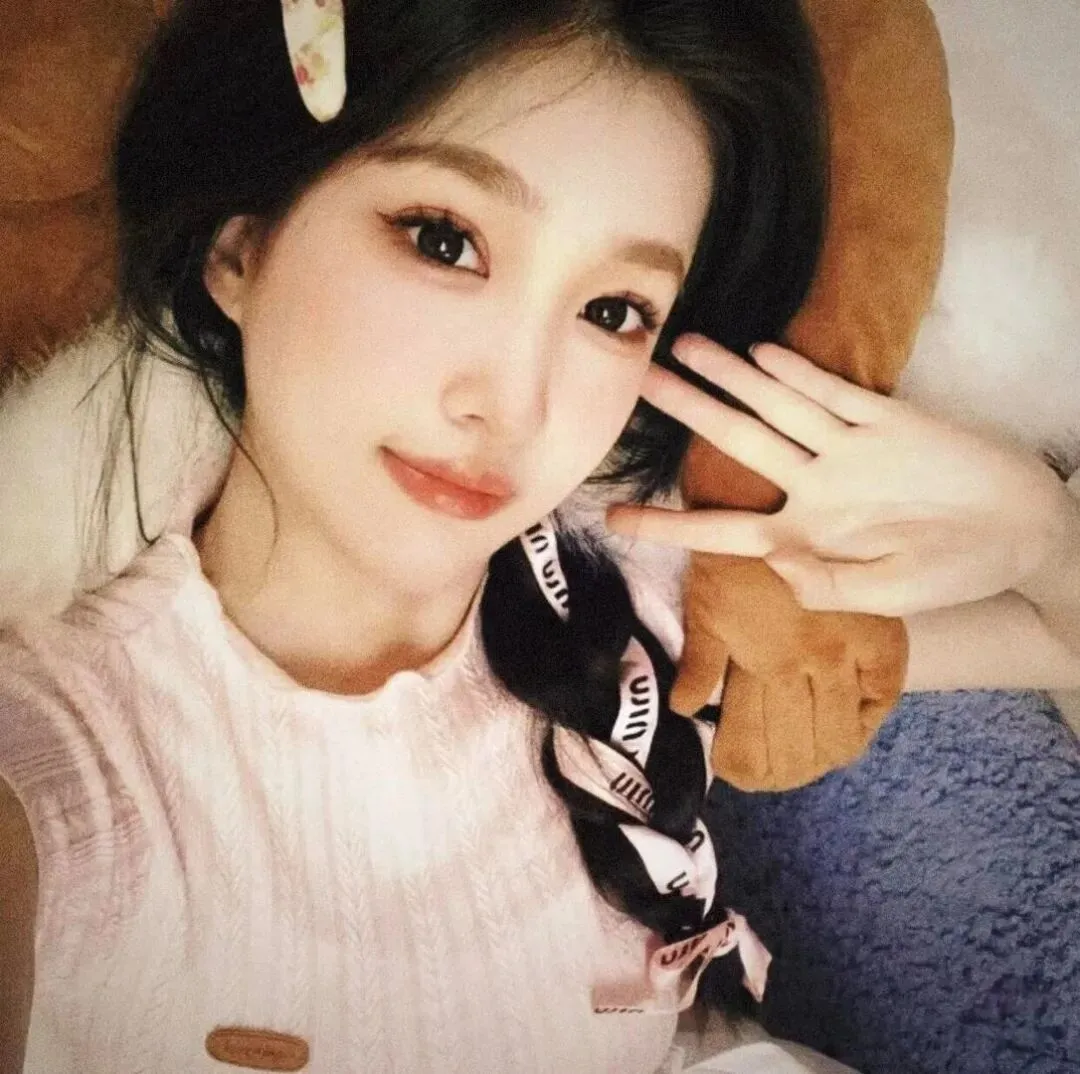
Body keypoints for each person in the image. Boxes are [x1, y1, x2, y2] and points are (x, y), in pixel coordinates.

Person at [0, 1, 1078, 1072]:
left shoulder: (647, 576)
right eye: (444, 241)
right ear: (240, 246)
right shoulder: (61, 769)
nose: (514, 404)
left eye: (614, 310)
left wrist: (1041, 531)